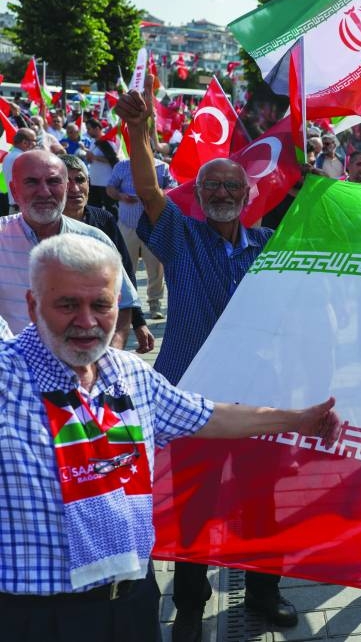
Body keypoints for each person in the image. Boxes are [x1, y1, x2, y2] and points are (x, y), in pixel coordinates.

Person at [0, 232, 343, 642]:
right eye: (68, 305)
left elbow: (208, 416)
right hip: (39, 617)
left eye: (101, 305)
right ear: (33, 305)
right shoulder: (6, 379)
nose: (87, 322)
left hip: (133, 601)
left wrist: (298, 420)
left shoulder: (128, 371)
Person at [116, 75, 301, 639]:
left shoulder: (270, 247)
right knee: (193, 505)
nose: (222, 192)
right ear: (198, 196)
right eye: (212, 185)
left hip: (256, 396)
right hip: (189, 398)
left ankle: (264, 593)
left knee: (261, 502)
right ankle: (191, 604)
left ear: (248, 196)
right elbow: (149, 191)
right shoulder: (180, 237)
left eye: (232, 186)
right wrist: (137, 131)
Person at [0, 150, 139, 344]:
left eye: (53, 181)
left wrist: (107, 355)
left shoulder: (94, 240)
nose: (44, 192)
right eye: (32, 182)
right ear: (14, 190)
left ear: (66, 187)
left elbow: (123, 304)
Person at [59, 154, 155, 354]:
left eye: (80, 180)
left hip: (103, 314)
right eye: (65, 182)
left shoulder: (103, 220)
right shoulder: (44, 225)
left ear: (89, 182)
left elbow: (124, 270)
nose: (74, 188)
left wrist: (138, 322)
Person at [107, 155, 175, 319]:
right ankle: (128, 306)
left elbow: (173, 188)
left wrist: (157, 195)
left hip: (154, 226)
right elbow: (110, 188)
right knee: (124, 267)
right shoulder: (122, 166)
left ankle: (155, 304)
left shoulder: (162, 167)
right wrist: (121, 196)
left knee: (155, 268)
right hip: (127, 224)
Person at [2, 127, 37, 215]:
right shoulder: (24, 158)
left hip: (15, 208)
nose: (36, 144)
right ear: (24, 142)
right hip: (25, 210)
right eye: (34, 140)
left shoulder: (8, 156)